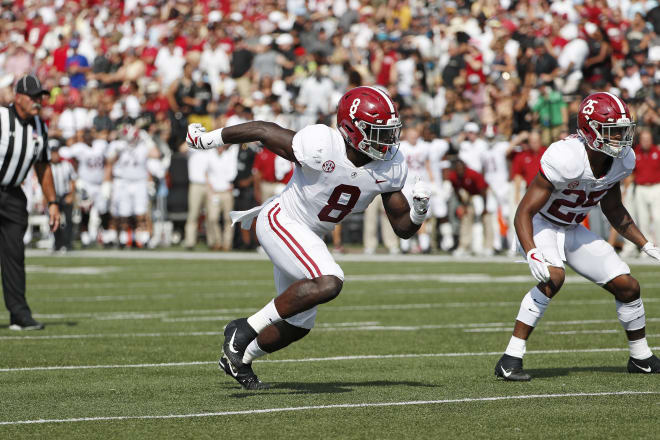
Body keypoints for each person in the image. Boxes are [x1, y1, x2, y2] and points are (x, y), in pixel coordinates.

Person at [187, 86, 431, 389]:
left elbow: (402, 228)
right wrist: (207, 139)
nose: (388, 142)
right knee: (329, 280)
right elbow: (263, 130)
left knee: (299, 323)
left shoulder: (390, 166)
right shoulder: (322, 144)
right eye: (377, 132)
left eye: (389, 132)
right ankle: (243, 329)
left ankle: (239, 357)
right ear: (351, 128)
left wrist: (420, 211)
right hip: (282, 220)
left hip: (311, 234)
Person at [495, 92, 660, 381]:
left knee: (628, 287)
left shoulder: (620, 160)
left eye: (623, 129)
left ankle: (641, 357)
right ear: (590, 130)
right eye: (613, 131)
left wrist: (646, 244)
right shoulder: (566, 157)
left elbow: (613, 209)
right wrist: (532, 250)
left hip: (572, 228)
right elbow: (523, 211)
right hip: (542, 225)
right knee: (553, 278)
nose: (621, 136)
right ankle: (510, 358)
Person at [0, 74, 60, 330]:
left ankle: (19, 315)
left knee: (14, 254)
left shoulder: (40, 126)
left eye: (40, 97)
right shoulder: (1, 118)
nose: (37, 101)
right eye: (32, 96)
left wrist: (52, 202)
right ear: (17, 97)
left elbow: (43, 166)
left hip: (13, 195)